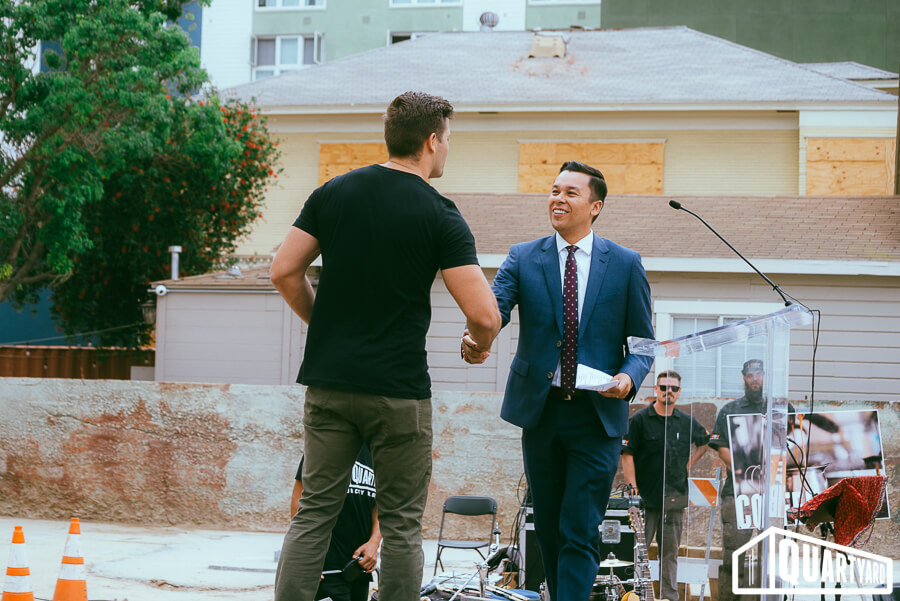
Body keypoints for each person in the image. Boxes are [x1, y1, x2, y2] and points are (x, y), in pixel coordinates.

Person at [271, 91, 502, 601]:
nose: (448, 149)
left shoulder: (332, 193)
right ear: (431, 141)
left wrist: (324, 325)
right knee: (400, 524)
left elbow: (284, 271)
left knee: (315, 512)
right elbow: (485, 315)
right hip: (398, 392)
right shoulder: (439, 213)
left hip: (329, 383)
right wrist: (478, 345)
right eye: (448, 139)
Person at [463, 161, 654, 601]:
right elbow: (494, 310)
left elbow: (643, 344)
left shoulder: (625, 264)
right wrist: (476, 338)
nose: (558, 199)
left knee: (580, 527)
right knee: (548, 525)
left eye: (570, 193)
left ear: (595, 206)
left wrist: (628, 377)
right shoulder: (523, 257)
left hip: (597, 417)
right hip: (542, 413)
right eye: (554, 190)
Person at [707, 359, 793, 601]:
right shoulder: (730, 409)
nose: (755, 378)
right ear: (744, 377)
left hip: (773, 493)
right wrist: (745, 471)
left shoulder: (781, 407)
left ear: (765, 376)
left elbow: (795, 444)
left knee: (772, 555)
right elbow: (721, 448)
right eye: (750, 374)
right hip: (738, 493)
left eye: (759, 373)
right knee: (734, 555)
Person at [620, 370, 709, 601]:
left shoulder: (686, 421)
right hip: (645, 500)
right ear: (656, 390)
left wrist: (688, 465)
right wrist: (633, 491)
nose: (668, 391)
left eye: (673, 388)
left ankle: (669, 596)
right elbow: (627, 454)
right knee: (638, 553)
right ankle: (636, 596)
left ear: (679, 392)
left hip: (674, 499)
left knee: (670, 554)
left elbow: (704, 441)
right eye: (663, 387)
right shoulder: (640, 420)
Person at [291, 446, 380, 601]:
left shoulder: (377, 451)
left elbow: (381, 505)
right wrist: (304, 553)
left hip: (359, 565)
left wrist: (374, 542)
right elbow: (299, 499)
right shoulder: (325, 443)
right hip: (325, 563)